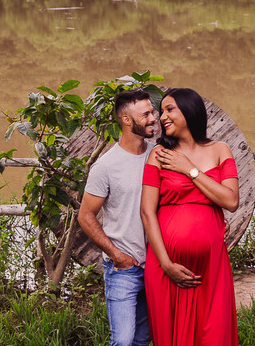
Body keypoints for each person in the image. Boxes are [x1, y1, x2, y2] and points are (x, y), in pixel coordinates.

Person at [141, 87, 239, 346]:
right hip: (166, 268)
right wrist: (166, 264)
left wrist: (190, 170)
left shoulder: (221, 150)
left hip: (212, 268)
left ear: (190, 110)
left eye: (169, 109)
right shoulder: (159, 155)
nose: (162, 117)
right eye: (162, 112)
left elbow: (230, 200)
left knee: (215, 335)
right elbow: (147, 212)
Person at [79, 89, 160, 346]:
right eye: (146, 114)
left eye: (153, 111)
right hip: (124, 267)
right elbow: (85, 216)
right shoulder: (106, 166)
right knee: (123, 341)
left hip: (157, 266)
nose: (154, 118)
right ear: (127, 120)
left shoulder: (159, 155)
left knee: (144, 339)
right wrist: (117, 255)